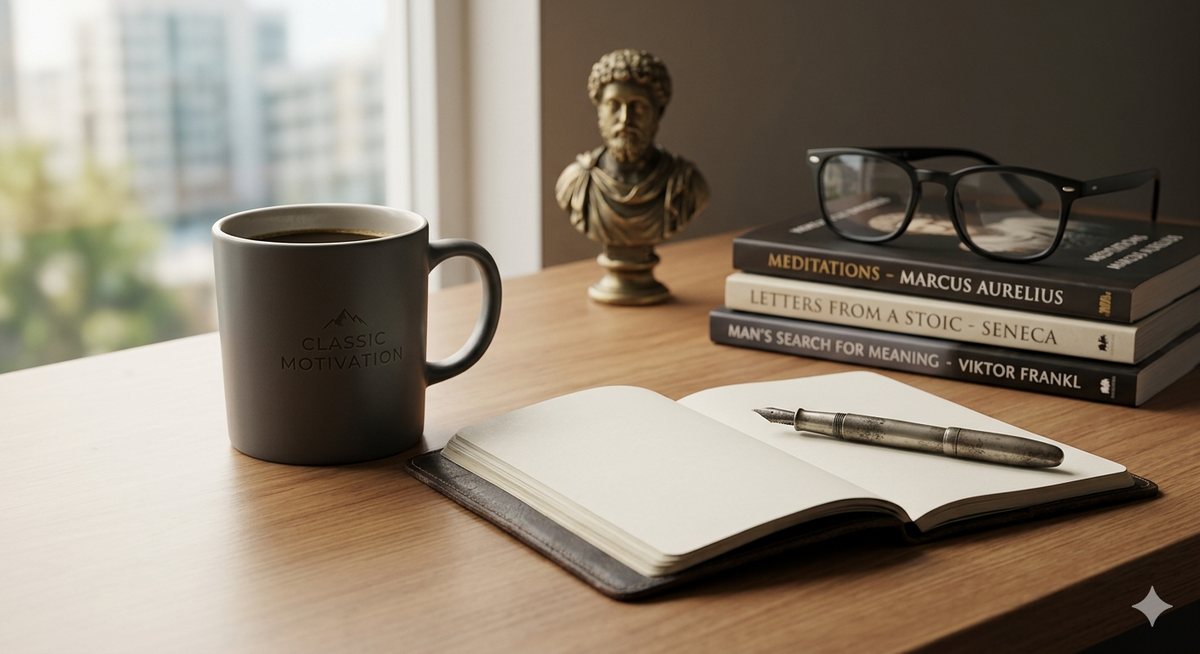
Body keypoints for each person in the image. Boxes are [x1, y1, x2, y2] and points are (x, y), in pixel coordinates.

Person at [556, 49, 708, 249]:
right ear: (599, 111)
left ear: (657, 113)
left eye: (638, 106)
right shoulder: (576, 183)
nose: (625, 119)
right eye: (614, 105)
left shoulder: (685, 185)